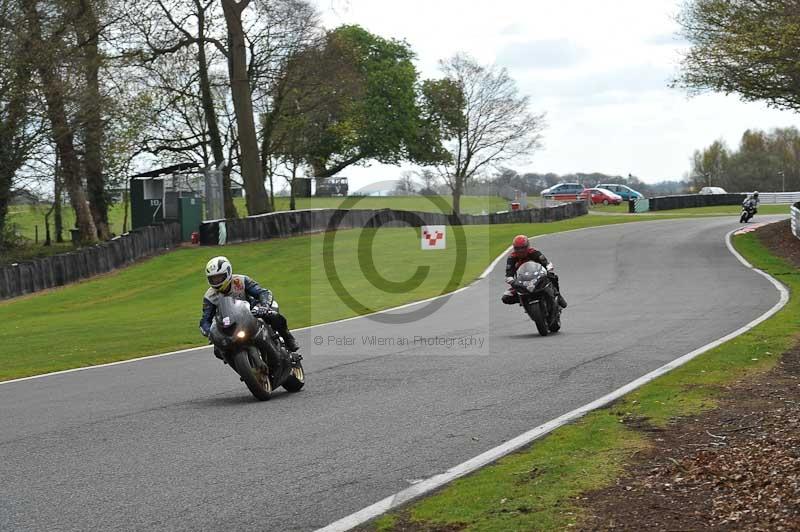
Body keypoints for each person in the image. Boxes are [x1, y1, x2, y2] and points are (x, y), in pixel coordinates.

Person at [199, 256, 300, 352]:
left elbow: (263, 292)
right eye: (213, 278)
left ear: (228, 273)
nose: (216, 281)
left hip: (252, 312)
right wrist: (210, 333)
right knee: (218, 350)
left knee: (272, 315)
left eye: (219, 277)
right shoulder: (209, 296)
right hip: (229, 324)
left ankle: (288, 338)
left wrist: (264, 306)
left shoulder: (241, 280)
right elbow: (205, 321)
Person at [502, 235, 568, 308]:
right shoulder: (512, 258)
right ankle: (523, 301)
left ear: (527, 246)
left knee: (552, 276)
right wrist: (510, 279)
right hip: (522, 282)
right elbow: (509, 272)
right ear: (514, 248)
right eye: (517, 248)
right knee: (505, 298)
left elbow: (545, 262)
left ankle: (557, 295)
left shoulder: (534, 252)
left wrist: (548, 267)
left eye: (522, 248)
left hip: (537, 277)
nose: (520, 251)